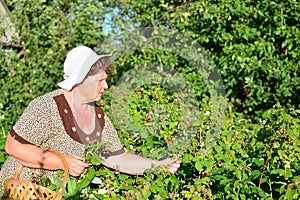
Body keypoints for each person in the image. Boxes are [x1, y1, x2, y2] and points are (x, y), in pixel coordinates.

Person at [0, 46, 180, 196]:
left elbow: (118, 159)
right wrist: (61, 162)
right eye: (101, 80)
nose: (106, 86)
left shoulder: (97, 117)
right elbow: (13, 147)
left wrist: (158, 165)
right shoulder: (46, 107)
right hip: (20, 192)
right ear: (82, 79)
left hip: (56, 195)